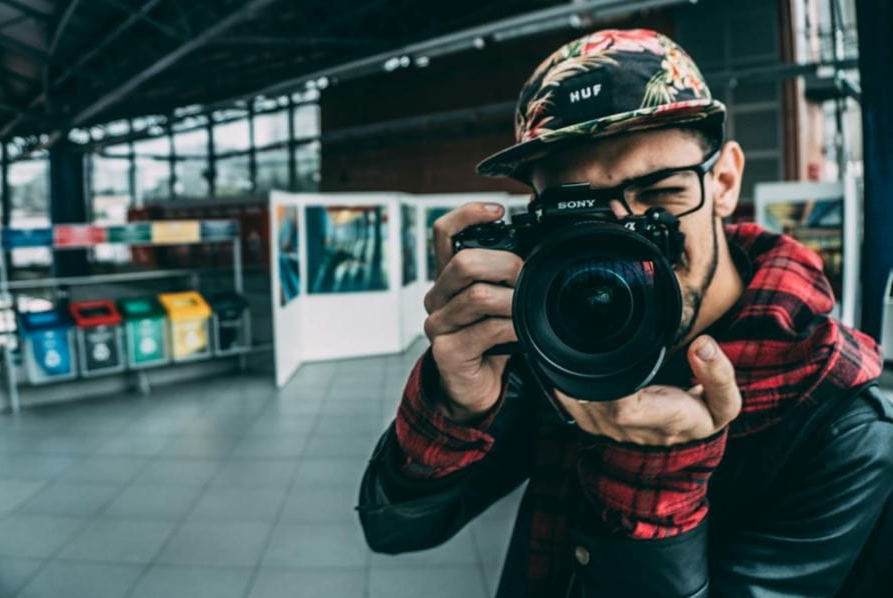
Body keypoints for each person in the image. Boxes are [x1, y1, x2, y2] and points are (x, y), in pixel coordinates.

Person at [357, 29, 893, 597]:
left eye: (659, 196)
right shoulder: (555, 331)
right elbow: (395, 531)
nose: (622, 246)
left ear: (726, 182)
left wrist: (658, 488)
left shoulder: (844, 426)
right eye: (579, 215)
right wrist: (455, 408)